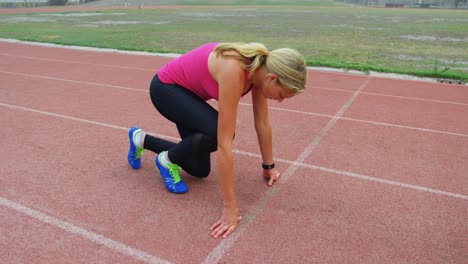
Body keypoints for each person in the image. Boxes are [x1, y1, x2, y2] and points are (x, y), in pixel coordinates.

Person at [127, 42, 307, 239]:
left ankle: (141, 139)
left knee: (199, 170)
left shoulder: (261, 72)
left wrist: (268, 165)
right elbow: (224, 143)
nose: (280, 100)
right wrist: (230, 208)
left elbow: (262, 122)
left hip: (190, 96)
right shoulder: (234, 71)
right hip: (167, 89)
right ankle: (166, 161)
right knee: (217, 133)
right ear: (272, 78)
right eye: (282, 95)